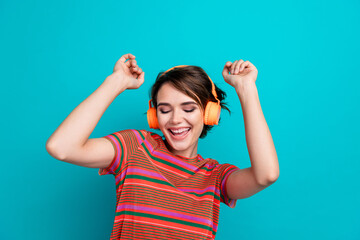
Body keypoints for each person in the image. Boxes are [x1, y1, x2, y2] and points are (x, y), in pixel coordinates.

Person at [46, 53, 279, 240]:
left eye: (188, 109)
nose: (175, 119)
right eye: (165, 110)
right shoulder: (136, 146)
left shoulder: (215, 177)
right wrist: (115, 82)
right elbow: (62, 147)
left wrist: (247, 89)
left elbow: (266, 175)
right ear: (154, 116)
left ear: (210, 113)